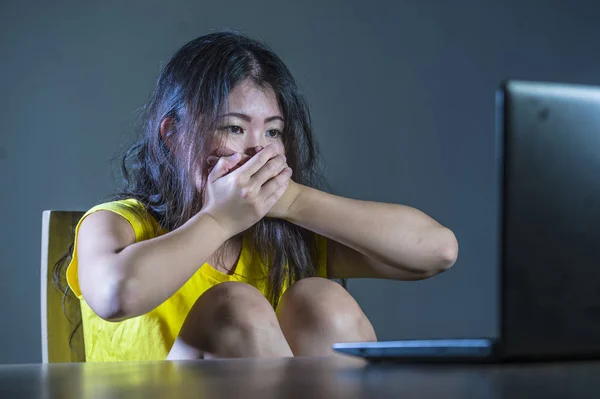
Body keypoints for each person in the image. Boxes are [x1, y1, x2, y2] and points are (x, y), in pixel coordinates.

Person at [58, 30, 458, 362]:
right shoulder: (115, 222)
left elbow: (437, 251)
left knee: (323, 300)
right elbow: (116, 295)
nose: (258, 152)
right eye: (233, 128)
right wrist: (219, 219)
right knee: (234, 307)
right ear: (173, 135)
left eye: (272, 132)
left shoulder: (282, 235)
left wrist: (294, 202)